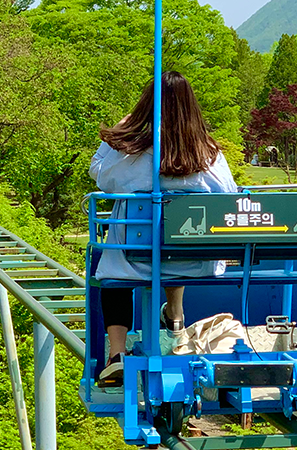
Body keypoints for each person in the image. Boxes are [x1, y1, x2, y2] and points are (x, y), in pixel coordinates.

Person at [92, 71, 238, 387]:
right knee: (175, 238)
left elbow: (99, 175)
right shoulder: (208, 154)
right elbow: (229, 195)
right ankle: (174, 311)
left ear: (146, 106)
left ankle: (116, 354)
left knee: (111, 269)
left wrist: (116, 134)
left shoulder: (130, 151)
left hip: (134, 259)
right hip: (193, 261)